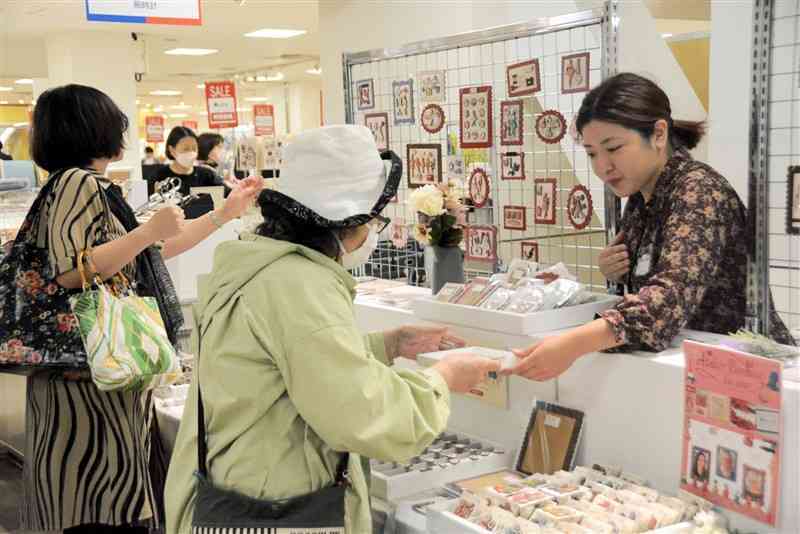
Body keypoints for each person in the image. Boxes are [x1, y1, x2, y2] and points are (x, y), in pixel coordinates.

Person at [164, 125, 500, 534]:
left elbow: (283, 361)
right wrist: (443, 379)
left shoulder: (255, 263)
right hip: (277, 506)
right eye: (372, 221)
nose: (372, 234)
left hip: (232, 486)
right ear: (342, 223)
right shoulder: (301, 284)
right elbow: (364, 415)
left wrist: (386, 344)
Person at [14, 83, 262, 533]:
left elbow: (148, 253)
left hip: (96, 378)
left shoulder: (83, 186)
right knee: (96, 506)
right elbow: (72, 270)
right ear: (95, 127)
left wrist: (225, 212)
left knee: (100, 501)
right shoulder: (77, 183)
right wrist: (147, 233)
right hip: (86, 385)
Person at [505, 73, 795, 383]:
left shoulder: (699, 191)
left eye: (613, 148)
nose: (603, 166)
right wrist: (615, 270)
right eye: (592, 154)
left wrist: (571, 344)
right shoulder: (642, 197)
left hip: (749, 373)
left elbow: (665, 302)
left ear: (658, 134)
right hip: (687, 367)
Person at [149, 126, 222, 197]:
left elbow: (224, 198)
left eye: (194, 148)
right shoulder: (159, 177)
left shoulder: (207, 175)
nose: (191, 153)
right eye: (186, 149)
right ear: (172, 150)